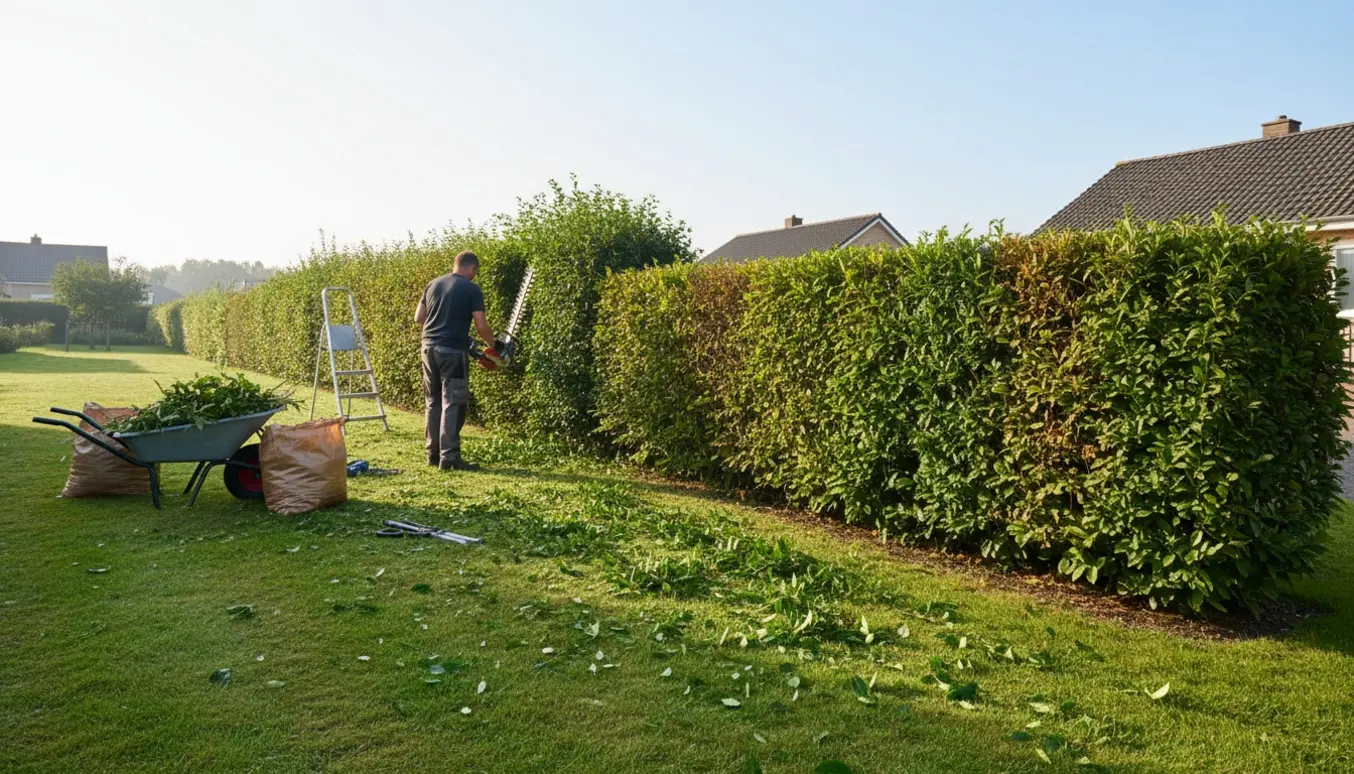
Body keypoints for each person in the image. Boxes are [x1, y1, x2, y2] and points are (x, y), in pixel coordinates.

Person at [415, 251, 496, 471]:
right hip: (451, 351)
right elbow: (480, 324)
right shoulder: (471, 289)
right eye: (475, 272)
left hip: (427, 348)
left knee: (433, 402)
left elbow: (418, 318)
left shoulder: (433, 284)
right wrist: (496, 345)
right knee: (453, 401)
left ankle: (432, 453)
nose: (474, 276)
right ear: (472, 268)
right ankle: (449, 457)